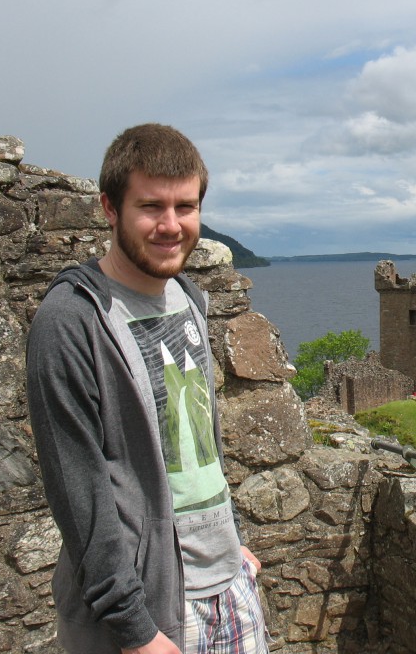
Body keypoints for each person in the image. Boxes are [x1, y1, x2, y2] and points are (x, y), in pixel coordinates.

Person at [27, 124, 269, 654]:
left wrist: (233, 541)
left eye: (185, 207)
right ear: (110, 208)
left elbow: (200, 444)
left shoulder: (190, 299)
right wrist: (136, 632)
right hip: (151, 613)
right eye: (150, 206)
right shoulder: (71, 320)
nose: (170, 225)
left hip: (228, 588)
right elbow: (79, 493)